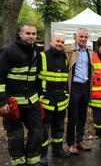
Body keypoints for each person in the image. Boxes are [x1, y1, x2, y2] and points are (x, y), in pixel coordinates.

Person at [0, 24, 43, 165]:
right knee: (16, 134)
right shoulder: (8, 51)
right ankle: (18, 161)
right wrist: (1, 102)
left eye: (33, 33)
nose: (31, 36)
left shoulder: (37, 52)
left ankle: (33, 160)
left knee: (38, 130)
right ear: (20, 34)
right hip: (12, 103)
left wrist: (40, 98)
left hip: (32, 102)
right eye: (28, 33)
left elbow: (37, 78)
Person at [37, 33, 70, 165]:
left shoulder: (65, 57)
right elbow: (35, 78)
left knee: (59, 128)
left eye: (62, 42)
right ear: (51, 42)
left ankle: (58, 150)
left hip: (61, 101)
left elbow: (65, 80)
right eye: (57, 41)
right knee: (44, 130)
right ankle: (42, 155)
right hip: (46, 101)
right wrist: (39, 97)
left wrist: (66, 95)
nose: (60, 44)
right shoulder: (42, 56)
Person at [65, 28, 93, 154]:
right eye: (81, 36)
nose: (83, 39)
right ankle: (70, 143)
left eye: (85, 37)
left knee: (83, 116)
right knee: (73, 117)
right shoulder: (69, 50)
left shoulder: (89, 51)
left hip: (85, 86)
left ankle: (80, 141)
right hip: (74, 87)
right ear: (76, 36)